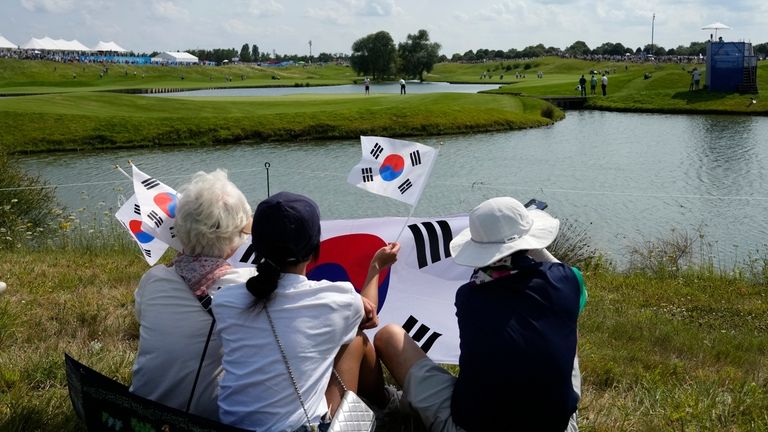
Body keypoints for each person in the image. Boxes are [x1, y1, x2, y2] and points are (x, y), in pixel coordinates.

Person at [375, 196, 587, 432]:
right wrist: (528, 244)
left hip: (471, 425)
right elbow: (573, 287)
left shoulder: (469, 297)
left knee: (389, 336)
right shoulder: (568, 280)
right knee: (566, 321)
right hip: (556, 426)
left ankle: (390, 406)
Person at [213, 192, 402, 431]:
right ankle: (387, 404)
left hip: (232, 425)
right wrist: (375, 267)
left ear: (257, 246)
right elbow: (368, 313)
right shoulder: (337, 299)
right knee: (355, 339)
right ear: (314, 249)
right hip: (302, 427)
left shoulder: (224, 300)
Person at [130, 170, 255, 420]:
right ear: (237, 236)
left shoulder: (153, 279)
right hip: (206, 417)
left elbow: (141, 319)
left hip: (142, 413)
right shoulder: (248, 285)